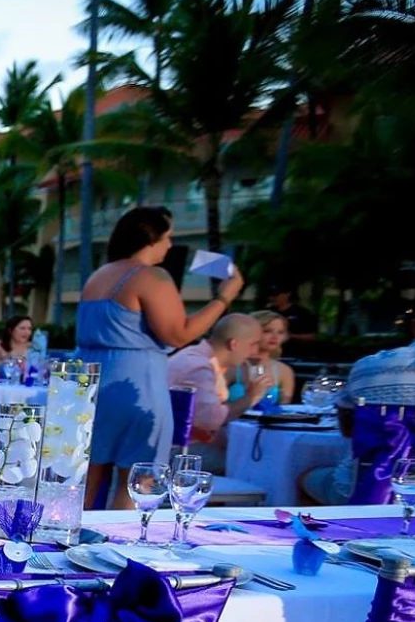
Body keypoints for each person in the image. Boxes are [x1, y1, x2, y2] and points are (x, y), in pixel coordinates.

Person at [77, 206, 245, 507]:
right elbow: (179, 334)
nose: (169, 245)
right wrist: (224, 298)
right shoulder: (151, 276)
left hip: (91, 382)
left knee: (87, 475)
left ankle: (67, 542)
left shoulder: (99, 275)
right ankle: (116, 544)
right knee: (139, 478)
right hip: (135, 385)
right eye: (167, 237)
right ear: (150, 239)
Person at [299, 292, 415, 504]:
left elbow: (349, 429)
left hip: (368, 485)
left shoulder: (368, 366)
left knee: (304, 477)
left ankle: (324, 535)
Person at [166, 315, 274, 467]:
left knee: (253, 454)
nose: (256, 351)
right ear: (234, 344)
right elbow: (211, 420)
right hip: (178, 453)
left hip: (180, 446)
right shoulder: (199, 366)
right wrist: (252, 396)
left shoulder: (202, 358)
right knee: (255, 465)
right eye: (253, 344)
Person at [233, 310, 297, 407]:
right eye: (267, 331)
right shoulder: (232, 364)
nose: (275, 337)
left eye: (280, 332)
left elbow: (284, 407)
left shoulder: (284, 371)